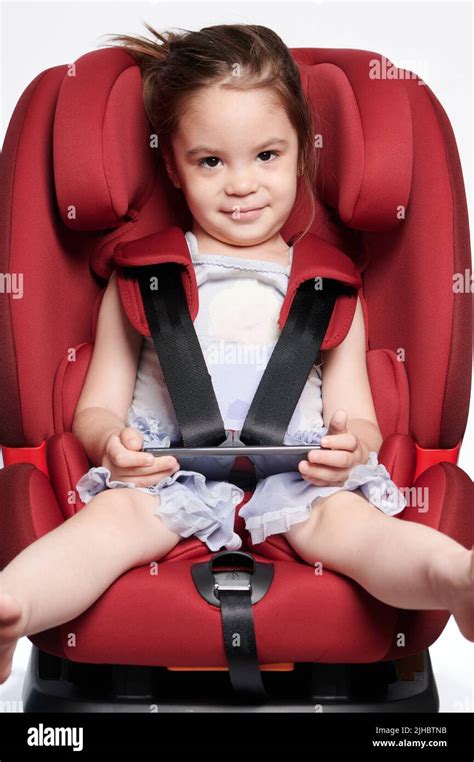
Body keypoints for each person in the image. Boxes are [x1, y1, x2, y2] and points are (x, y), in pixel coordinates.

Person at [1, 23, 472, 685]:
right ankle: (14, 609)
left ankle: (455, 579)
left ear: (302, 153)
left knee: (361, 531)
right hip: (167, 472)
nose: (241, 184)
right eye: (211, 161)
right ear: (173, 164)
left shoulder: (330, 286)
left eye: (267, 156)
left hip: (302, 474)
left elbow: (358, 420)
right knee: (107, 526)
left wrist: (350, 449)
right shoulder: (140, 278)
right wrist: (114, 445)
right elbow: (96, 409)